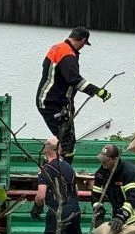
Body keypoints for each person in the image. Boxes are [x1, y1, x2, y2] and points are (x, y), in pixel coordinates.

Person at [36, 27, 111, 160]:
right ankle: (60, 169)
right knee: (66, 142)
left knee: (65, 140)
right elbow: (74, 79)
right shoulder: (67, 55)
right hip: (53, 103)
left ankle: (54, 165)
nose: (83, 47)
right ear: (83, 40)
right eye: (84, 44)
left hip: (53, 101)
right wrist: (97, 91)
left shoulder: (58, 48)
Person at [31, 137, 82, 234]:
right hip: (74, 211)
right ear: (59, 150)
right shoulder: (69, 167)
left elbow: (41, 196)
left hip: (57, 212)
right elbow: (76, 190)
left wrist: (37, 208)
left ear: (46, 150)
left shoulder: (45, 169)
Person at [91, 144, 135, 234]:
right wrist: (99, 212)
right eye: (101, 159)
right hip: (116, 213)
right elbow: (96, 196)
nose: (103, 163)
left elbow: (134, 197)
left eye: (106, 160)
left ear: (116, 159)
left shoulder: (129, 171)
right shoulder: (100, 174)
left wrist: (122, 215)